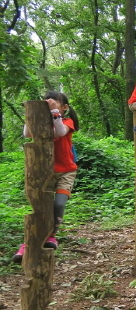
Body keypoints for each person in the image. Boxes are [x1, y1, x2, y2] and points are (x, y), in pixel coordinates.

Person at [12, 91, 80, 263]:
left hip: (66, 172)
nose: (49, 102)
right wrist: (31, 114)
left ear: (65, 107)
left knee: (58, 204)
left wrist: (54, 113)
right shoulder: (42, 123)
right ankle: (28, 243)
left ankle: (52, 236)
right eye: (47, 100)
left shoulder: (66, 121)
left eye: (55, 101)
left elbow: (59, 132)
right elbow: (28, 133)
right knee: (41, 208)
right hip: (46, 172)